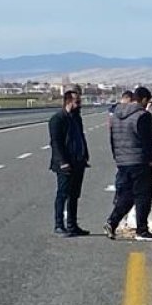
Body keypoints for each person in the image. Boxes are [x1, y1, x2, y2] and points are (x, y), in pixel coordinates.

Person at [104, 87, 152, 240]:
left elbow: (112, 138)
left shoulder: (116, 115)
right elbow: (147, 141)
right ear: (143, 100)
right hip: (139, 161)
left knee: (128, 195)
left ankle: (112, 221)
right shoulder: (142, 116)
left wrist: (117, 156)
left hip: (123, 161)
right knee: (143, 195)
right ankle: (142, 230)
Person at [48, 88, 90, 236]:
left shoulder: (76, 118)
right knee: (63, 194)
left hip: (78, 161)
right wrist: (63, 162)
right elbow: (56, 143)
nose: (80, 105)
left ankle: (72, 225)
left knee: (74, 195)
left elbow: (80, 137)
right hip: (65, 164)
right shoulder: (57, 119)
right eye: (77, 102)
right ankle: (59, 225)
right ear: (69, 102)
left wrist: (85, 155)